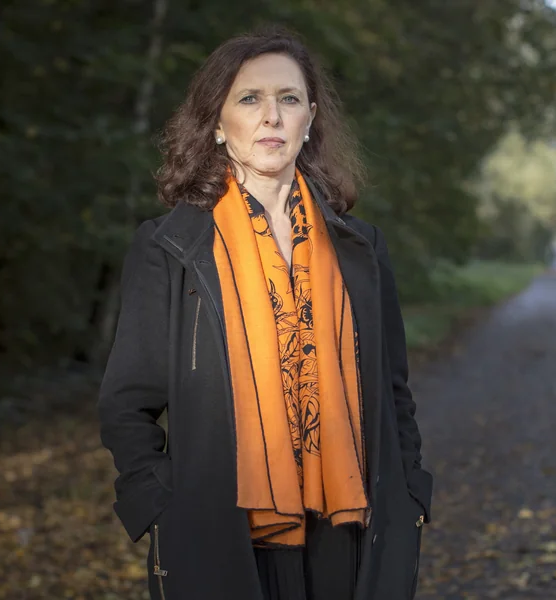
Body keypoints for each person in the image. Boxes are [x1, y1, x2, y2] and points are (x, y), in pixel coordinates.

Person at [97, 26, 433, 600]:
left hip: (348, 528)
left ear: (310, 119)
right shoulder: (170, 247)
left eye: (289, 99)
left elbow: (393, 390)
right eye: (249, 98)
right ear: (217, 123)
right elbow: (127, 402)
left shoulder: (360, 248)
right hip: (220, 528)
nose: (271, 116)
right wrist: (159, 505)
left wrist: (411, 493)